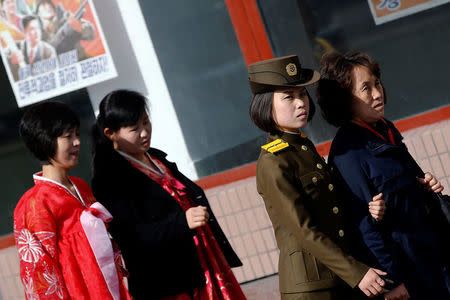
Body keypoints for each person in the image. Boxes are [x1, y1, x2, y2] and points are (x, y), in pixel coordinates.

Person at [247, 55, 388, 300]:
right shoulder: (273, 162)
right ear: (265, 105)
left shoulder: (302, 146)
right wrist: (356, 272)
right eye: (288, 97)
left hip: (339, 277)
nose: (300, 103)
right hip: (311, 287)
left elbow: (330, 209)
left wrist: (369, 211)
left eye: (302, 94)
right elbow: (304, 230)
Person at [317, 50, 450, 299]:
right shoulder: (347, 152)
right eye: (365, 89)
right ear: (344, 99)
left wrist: (425, 184)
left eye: (377, 83)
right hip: (408, 276)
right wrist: (392, 283)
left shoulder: (385, 128)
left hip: (432, 256)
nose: (378, 94)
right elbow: (364, 227)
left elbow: (409, 182)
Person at [91, 90, 246, 299]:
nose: (144, 132)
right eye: (134, 129)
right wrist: (182, 222)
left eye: (146, 122)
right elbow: (131, 237)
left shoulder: (156, 158)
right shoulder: (109, 179)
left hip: (199, 260)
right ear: (111, 133)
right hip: (167, 281)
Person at [14, 101, 131, 299]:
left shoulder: (81, 187)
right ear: (45, 141)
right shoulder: (34, 204)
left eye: (76, 134)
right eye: (68, 136)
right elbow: (40, 272)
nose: (77, 142)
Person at [8, 14, 56, 80]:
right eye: (32, 29)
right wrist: (12, 62)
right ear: (24, 31)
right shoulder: (15, 48)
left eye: (38, 28)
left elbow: (52, 76)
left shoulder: (49, 51)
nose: (37, 32)